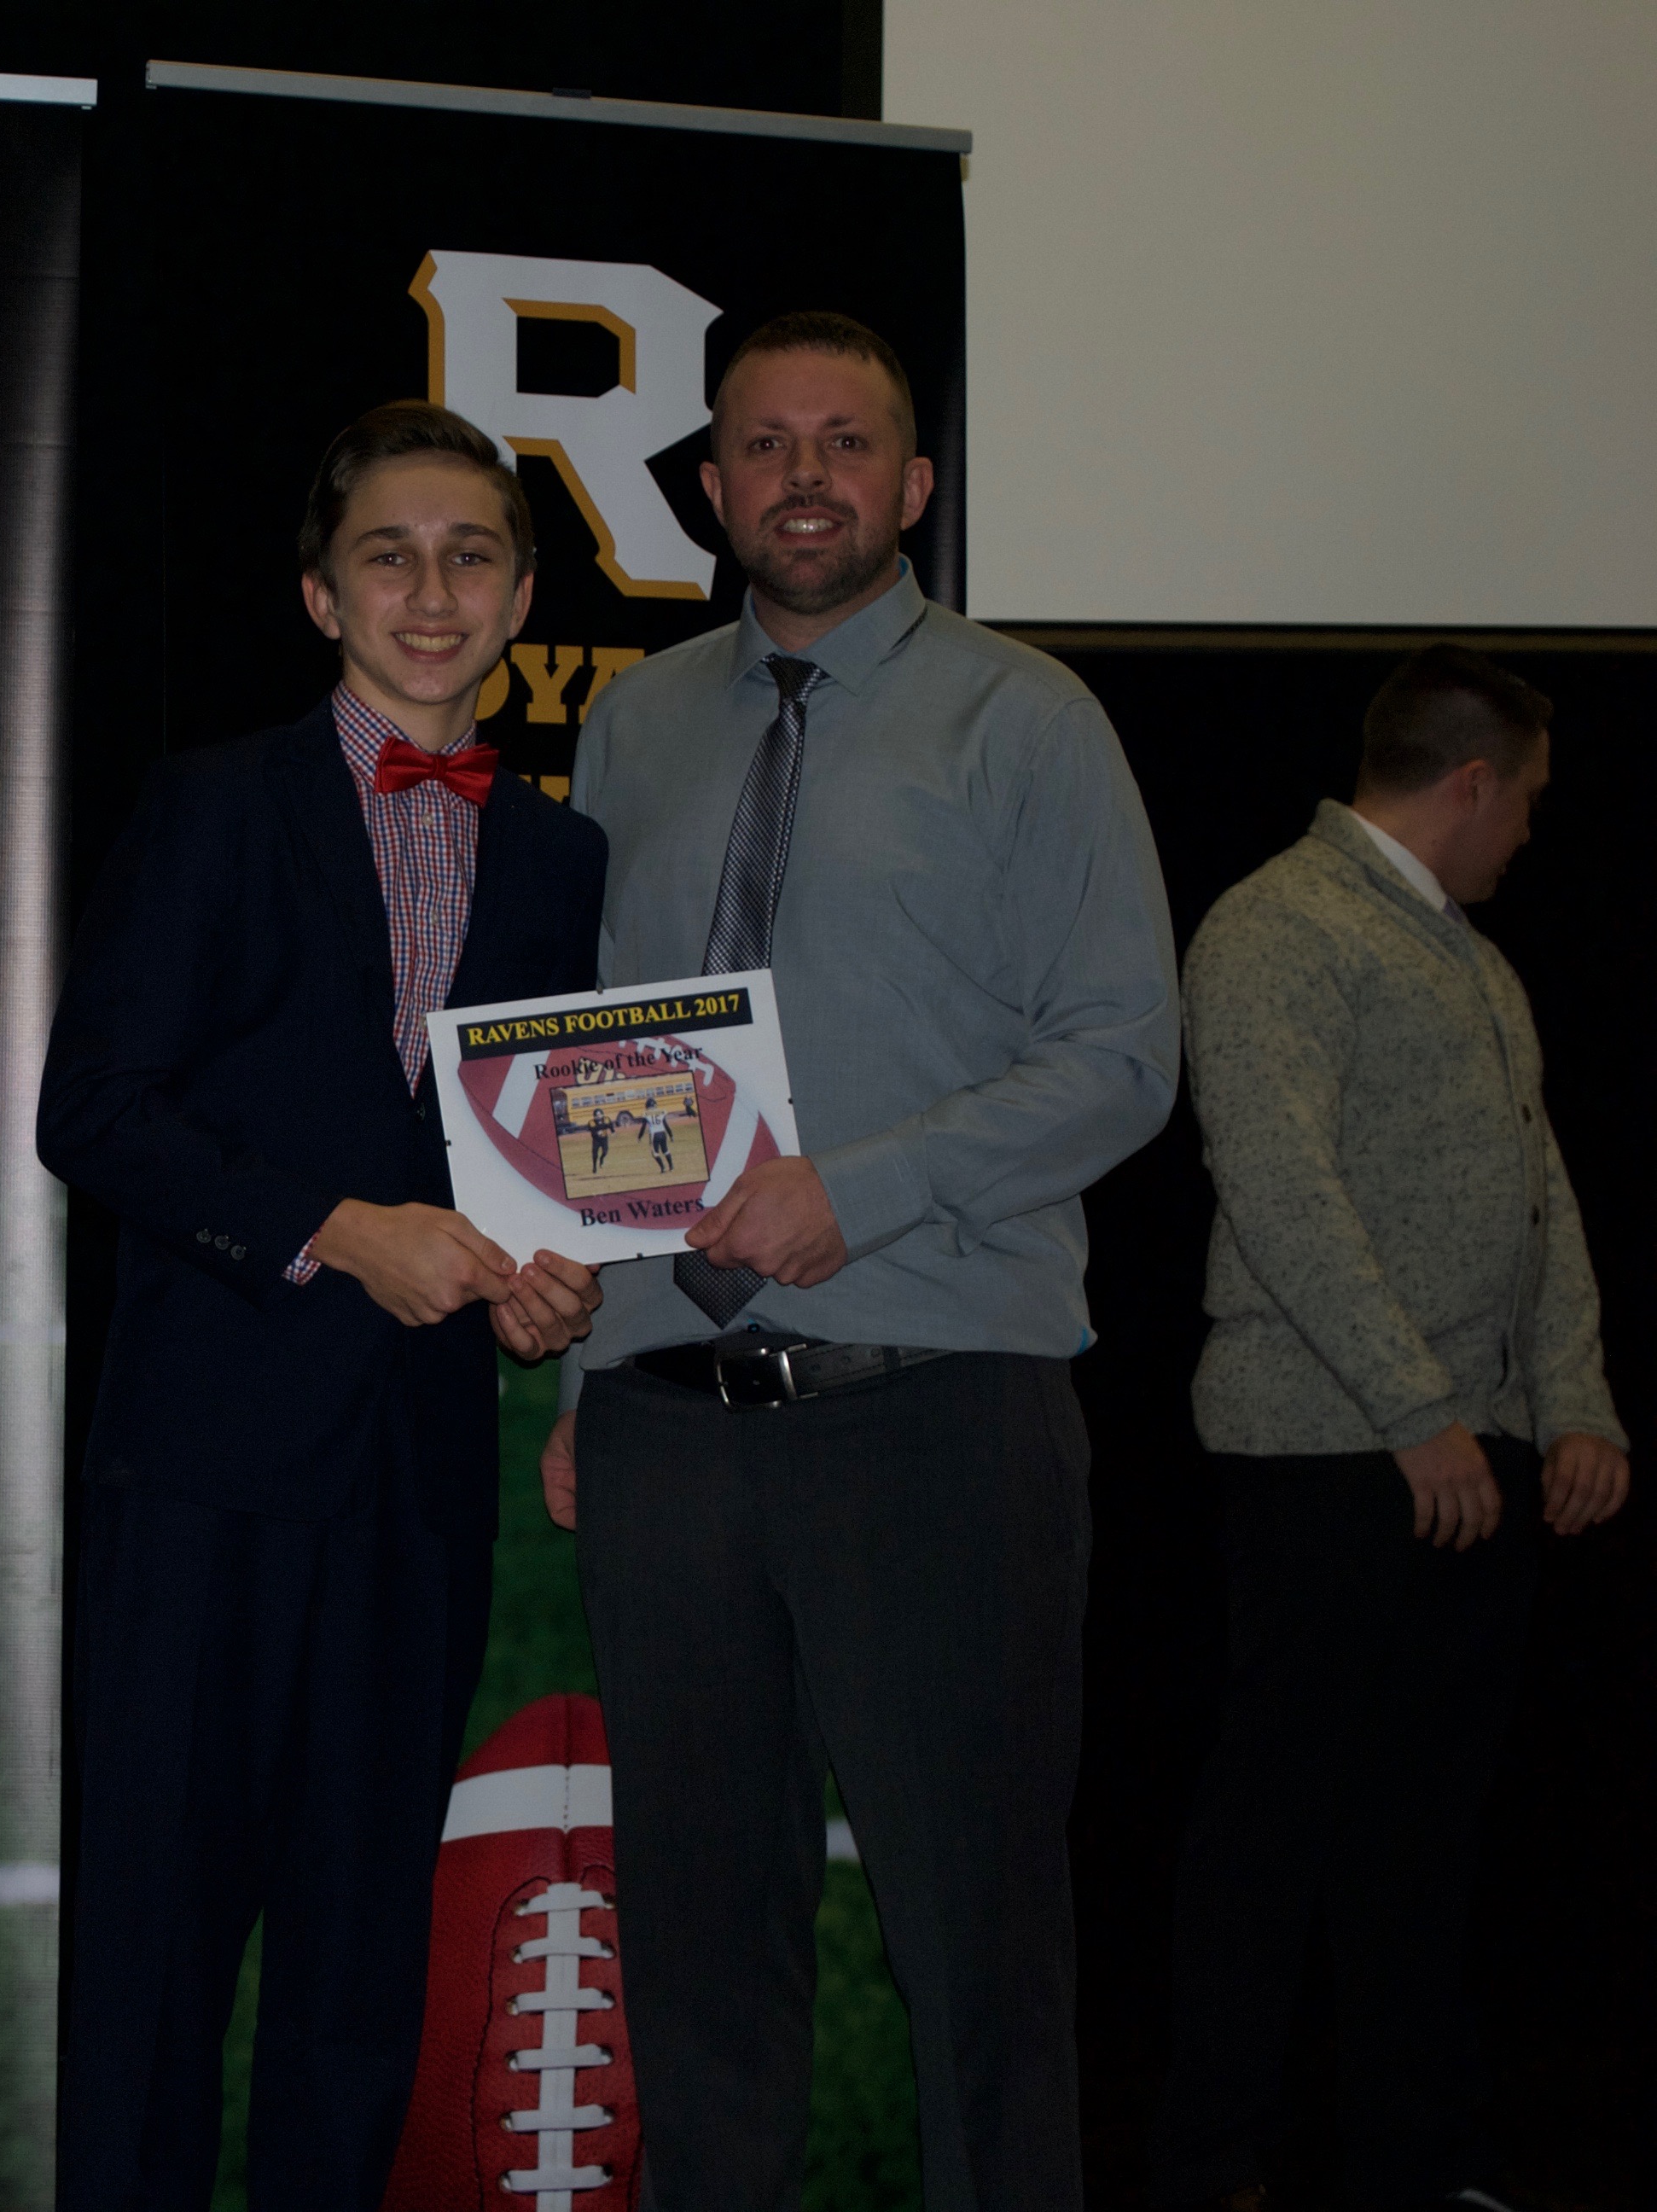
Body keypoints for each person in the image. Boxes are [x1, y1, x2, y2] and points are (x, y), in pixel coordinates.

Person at [536, 311, 1180, 2208]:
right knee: (698, 1955)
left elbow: (1124, 1055)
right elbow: (606, 1074)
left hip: (938, 1411)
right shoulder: (635, 722)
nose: (802, 475)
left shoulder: (1026, 717)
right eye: (764, 442)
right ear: (711, 486)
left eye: (843, 442)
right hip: (668, 1424)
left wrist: (863, 1189)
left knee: (977, 1956)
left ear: (912, 483)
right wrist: (589, 1369)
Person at [38, 402, 608, 2210]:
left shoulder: (560, 861)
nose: (430, 593)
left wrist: (546, 1291)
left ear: (522, 594)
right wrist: (335, 1232)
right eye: (389, 555)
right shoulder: (216, 805)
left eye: (468, 556)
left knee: (360, 1966)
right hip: (204, 1466)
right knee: (154, 1950)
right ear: (318, 593)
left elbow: (536, 1166)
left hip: (414, 1483)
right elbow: (90, 1110)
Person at [1148, 647, 1630, 2212]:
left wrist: (1574, 1403)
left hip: (1468, 1457)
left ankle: (1418, 2162)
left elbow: (1541, 1189)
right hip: (1325, 1457)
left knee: (1424, 1838)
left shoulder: (1474, 962)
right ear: (1471, 783)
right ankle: (1212, 2165)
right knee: (1273, 1830)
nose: (1531, 835)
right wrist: (1416, 1411)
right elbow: (1279, 1185)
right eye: (1528, 801)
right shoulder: (1276, 926)